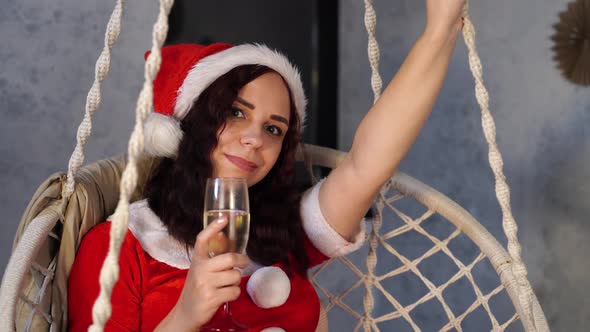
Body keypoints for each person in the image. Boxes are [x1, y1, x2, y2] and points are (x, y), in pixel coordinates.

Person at [67, 1, 466, 331]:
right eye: (236, 113)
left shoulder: (284, 229)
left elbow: (368, 163)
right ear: (189, 123)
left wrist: (441, 27)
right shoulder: (122, 246)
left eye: (274, 128)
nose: (255, 138)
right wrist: (185, 314)